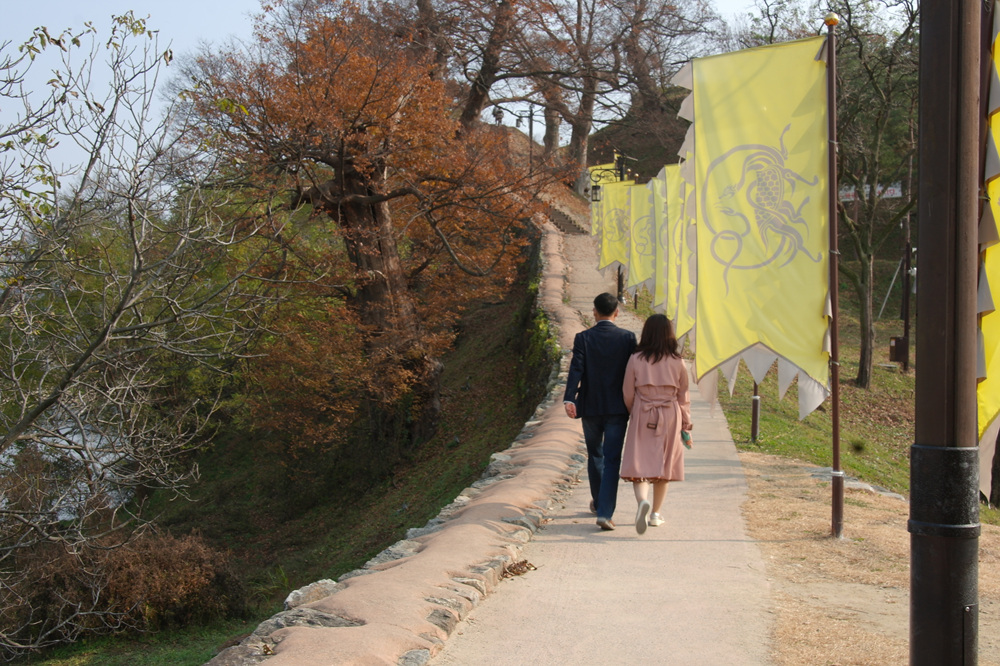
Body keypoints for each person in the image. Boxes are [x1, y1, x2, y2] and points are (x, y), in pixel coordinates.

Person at [564, 293, 637, 530]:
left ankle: (598, 502)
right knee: (612, 459)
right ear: (617, 312)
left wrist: (569, 398)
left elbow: (576, 369)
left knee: (595, 455)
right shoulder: (627, 338)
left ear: (594, 311)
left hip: (591, 406)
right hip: (618, 408)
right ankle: (604, 512)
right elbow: (634, 371)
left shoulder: (583, 338)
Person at [620, 314, 693, 535]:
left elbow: (627, 392)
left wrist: (635, 412)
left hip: (643, 412)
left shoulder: (635, 359)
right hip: (670, 414)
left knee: (639, 462)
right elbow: (683, 397)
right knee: (664, 464)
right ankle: (655, 514)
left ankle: (642, 501)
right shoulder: (678, 361)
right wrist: (686, 425)